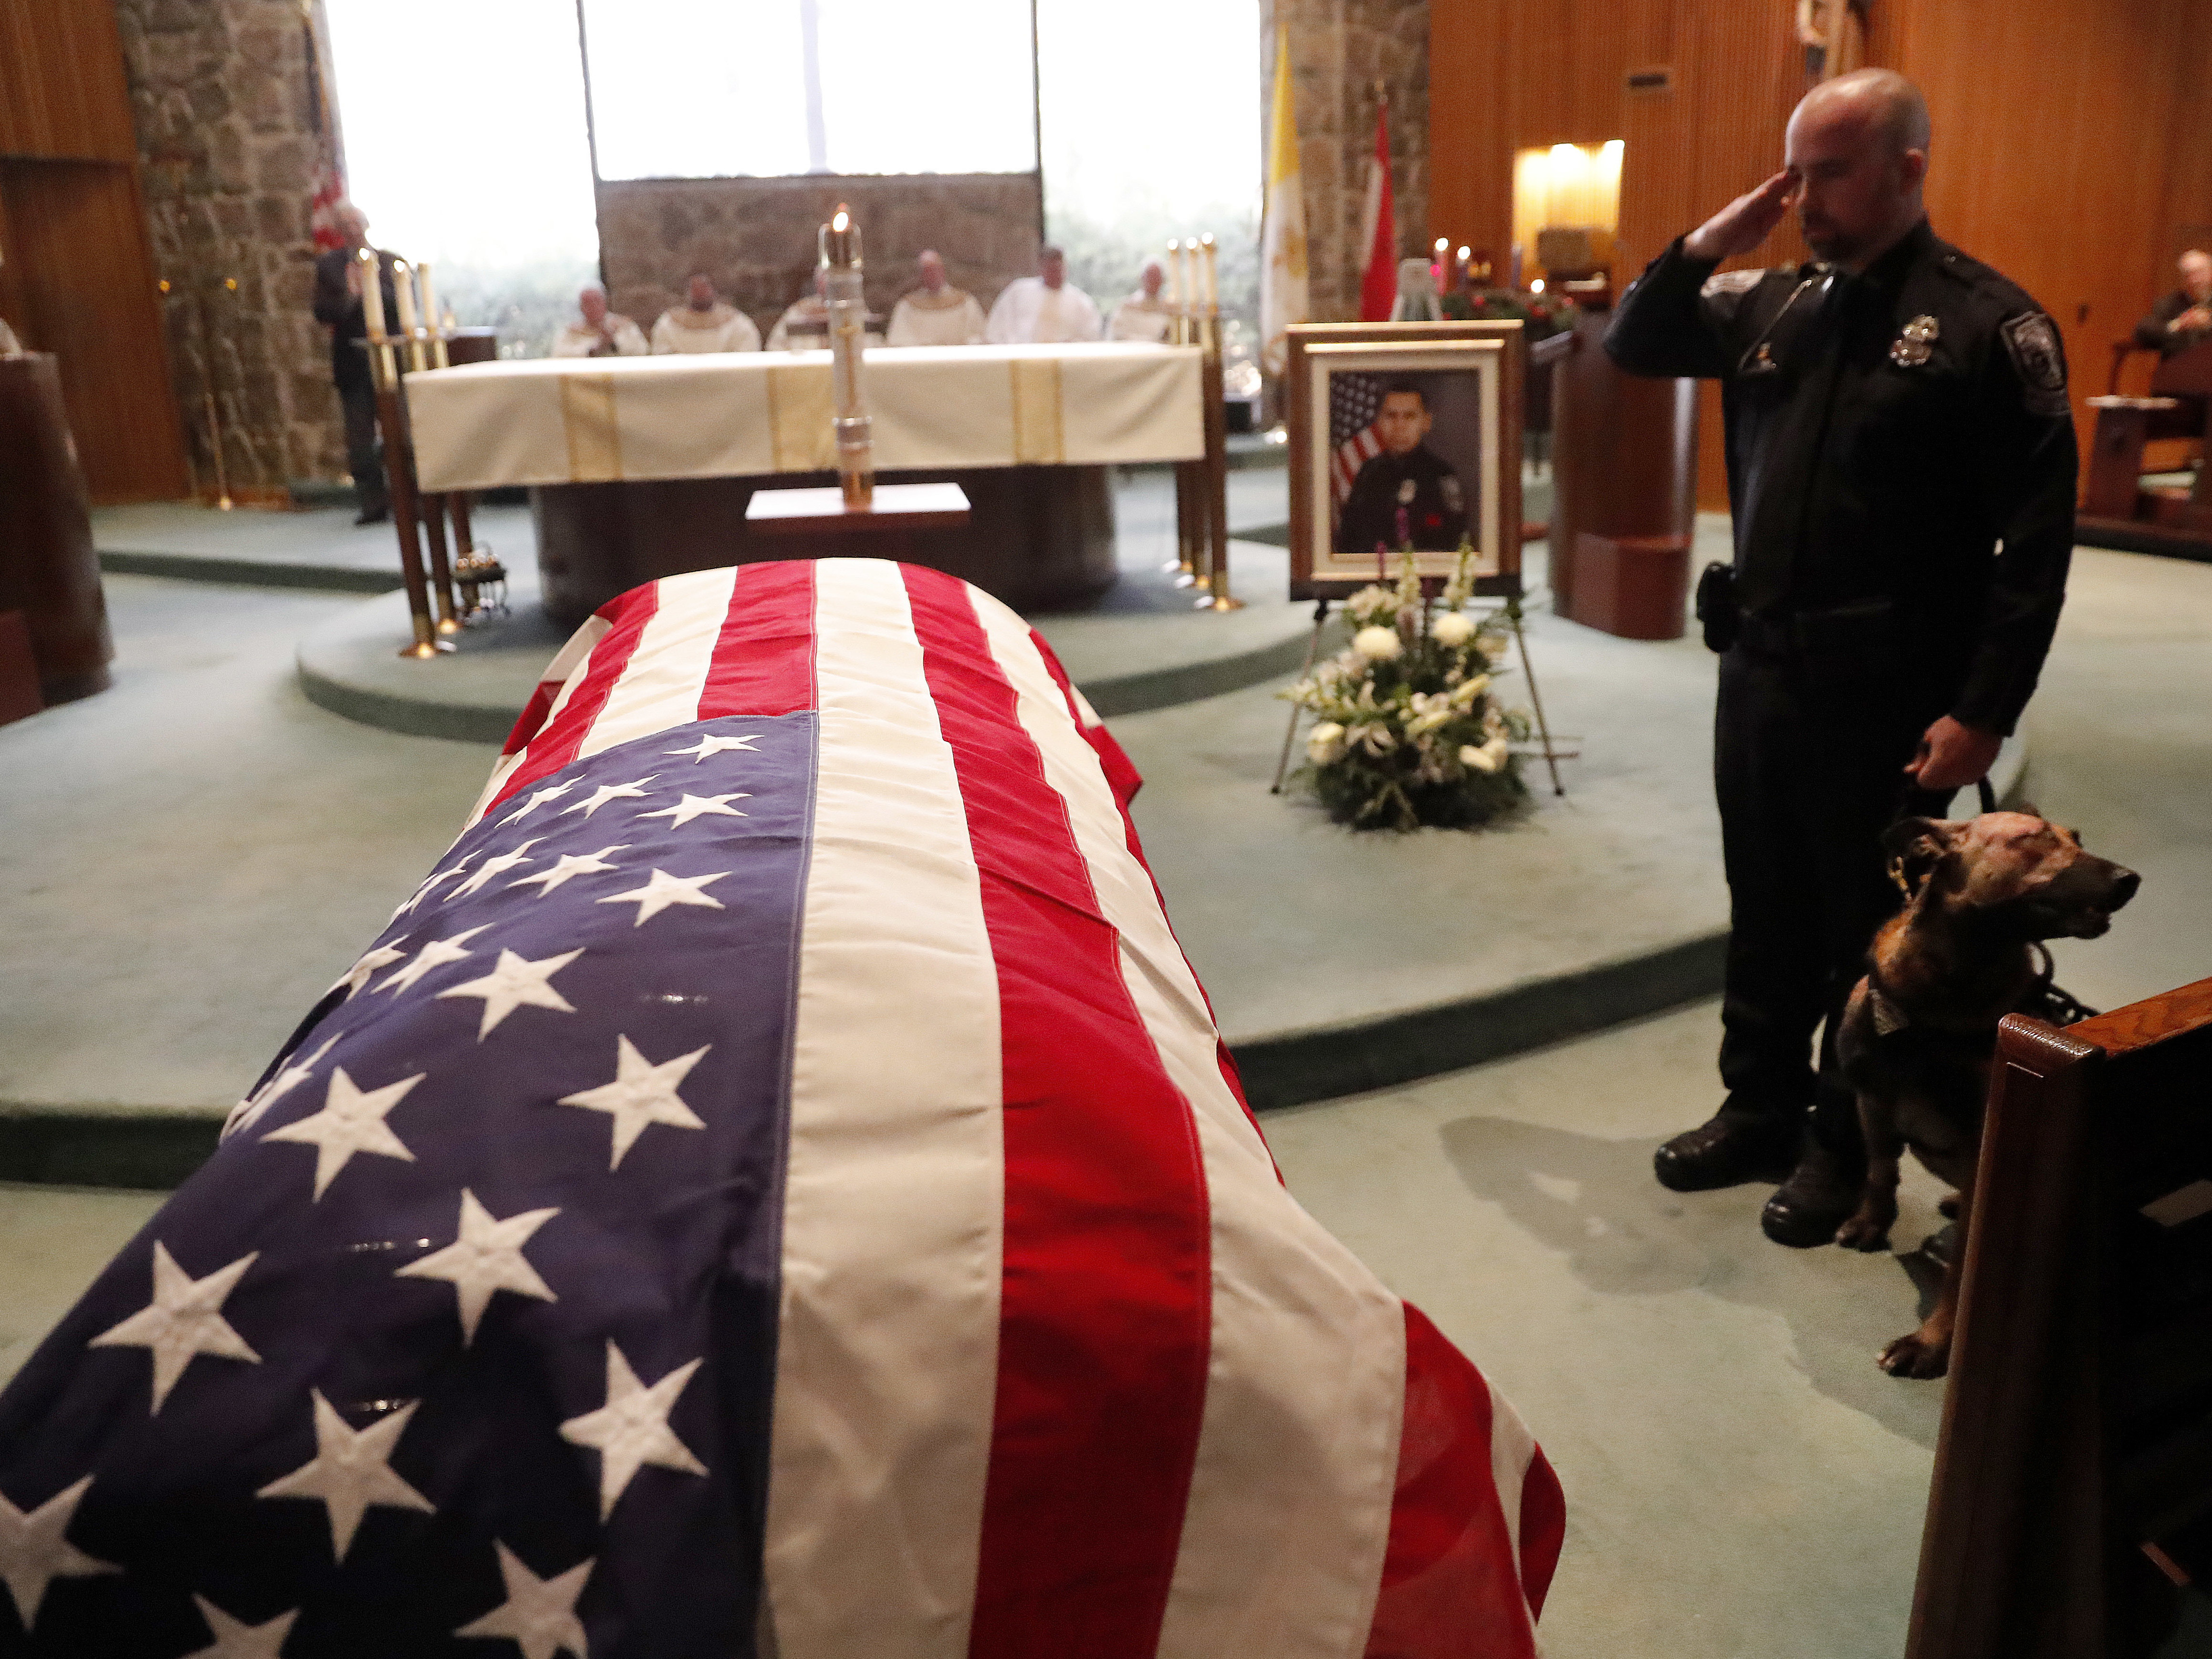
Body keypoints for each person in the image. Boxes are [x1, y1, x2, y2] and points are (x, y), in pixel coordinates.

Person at [1603, 69, 2075, 1246]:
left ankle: (1836, 1144)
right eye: (1794, 173)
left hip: (1890, 688)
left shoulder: (1987, 325)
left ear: (1908, 169)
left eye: (1830, 172)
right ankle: (1755, 1105)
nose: (1804, 198)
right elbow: (1636, 338)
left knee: (1863, 927)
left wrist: (1984, 708)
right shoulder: (1773, 304)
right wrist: (1716, 237)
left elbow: (2034, 545)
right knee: (1762, 901)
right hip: (1760, 667)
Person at [309, 201, 400, 524]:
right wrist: (350, 296)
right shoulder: (329, 266)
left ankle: (410, 500)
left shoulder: (391, 263)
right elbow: (322, 312)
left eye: (356, 223)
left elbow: (403, 305)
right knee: (360, 440)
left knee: (401, 434)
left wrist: (370, 287)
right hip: (353, 365)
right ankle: (373, 504)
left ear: (366, 225)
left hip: (392, 363)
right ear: (338, 231)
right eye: (345, 224)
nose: (352, 229)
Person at [1336, 384, 1468, 555]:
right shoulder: (1368, 473)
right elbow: (1349, 538)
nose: (1399, 425)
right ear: (1379, 422)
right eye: (1391, 416)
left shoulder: (1441, 474)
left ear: (1426, 423)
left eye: (1409, 416)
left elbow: (1456, 539)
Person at [985, 246, 1101, 344]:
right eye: (1050, 269)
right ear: (1041, 269)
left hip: (1064, 359)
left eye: (1058, 269)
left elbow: (1091, 336)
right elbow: (998, 326)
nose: (1055, 274)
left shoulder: (1081, 301)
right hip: (1022, 356)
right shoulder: (1018, 291)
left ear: (1065, 268)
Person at [887, 250, 987, 346]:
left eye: (934, 270)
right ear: (921, 275)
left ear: (942, 271)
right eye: (927, 272)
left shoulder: (966, 303)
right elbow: (898, 339)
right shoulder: (907, 306)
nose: (931, 276)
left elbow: (977, 337)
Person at [651, 273, 761, 354]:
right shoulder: (669, 322)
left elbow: (747, 349)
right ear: (688, 292)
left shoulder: (736, 322)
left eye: (704, 287)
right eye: (695, 288)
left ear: (712, 289)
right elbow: (661, 350)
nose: (700, 292)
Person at [2132, 249, 2212, 359]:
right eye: (2189, 275)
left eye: (2200, 273)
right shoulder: (2170, 303)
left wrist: (2208, 321)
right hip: (2179, 366)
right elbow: (2142, 330)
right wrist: (2178, 325)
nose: (2195, 280)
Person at [552, 285, 647, 358]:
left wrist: (613, 344)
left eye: (596, 301)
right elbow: (558, 355)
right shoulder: (571, 332)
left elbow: (643, 351)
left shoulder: (625, 326)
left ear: (605, 303)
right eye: (588, 303)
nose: (593, 307)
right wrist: (593, 350)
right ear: (581, 307)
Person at [1106, 260, 1174, 343]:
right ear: (1142, 278)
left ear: (1163, 280)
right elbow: (1117, 335)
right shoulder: (1127, 306)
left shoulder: (1170, 308)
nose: (1153, 281)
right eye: (1150, 276)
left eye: (1157, 277)